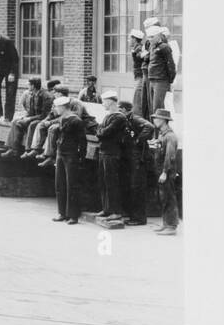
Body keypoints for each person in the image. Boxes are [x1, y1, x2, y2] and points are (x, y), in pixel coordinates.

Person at [51, 95, 87, 224]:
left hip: (71, 154)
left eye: (56, 107)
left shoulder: (75, 120)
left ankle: (73, 215)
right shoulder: (62, 119)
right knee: (59, 184)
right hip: (61, 154)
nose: (55, 109)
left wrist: (81, 157)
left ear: (63, 107)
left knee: (72, 185)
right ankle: (62, 213)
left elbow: (82, 141)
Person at [94, 90, 128, 222]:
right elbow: (99, 130)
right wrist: (101, 131)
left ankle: (116, 211)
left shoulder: (119, 117)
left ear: (111, 101)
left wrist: (100, 131)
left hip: (112, 153)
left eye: (104, 101)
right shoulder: (108, 116)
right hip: (104, 152)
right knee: (103, 182)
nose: (103, 104)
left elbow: (104, 133)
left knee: (112, 183)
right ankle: (107, 209)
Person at [119, 99, 154, 226]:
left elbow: (149, 126)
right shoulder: (126, 120)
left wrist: (138, 141)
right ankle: (133, 216)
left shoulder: (134, 118)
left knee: (137, 188)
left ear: (124, 109)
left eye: (119, 109)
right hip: (131, 159)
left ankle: (139, 219)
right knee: (131, 187)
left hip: (139, 159)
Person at [149, 108, 180, 235]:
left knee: (169, 198)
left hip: (166, 172)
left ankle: (171, 226)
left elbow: (170, 156)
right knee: (164, 198)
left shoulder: (170, 136)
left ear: (163, 120)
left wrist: (165, 172)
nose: (154, 120)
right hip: (162, 171)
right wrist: (156, 143)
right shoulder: (163, 134)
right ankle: (166, 224)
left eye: (156, 118)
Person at [1, 77, 51, 157]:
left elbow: (44, 115)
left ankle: (28, 150)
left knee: (32, 125)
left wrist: (29, 119)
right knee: (16, 122)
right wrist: (24, 117)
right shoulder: (32, 94)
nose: (27, 87)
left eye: (29, 85)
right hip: (33, 117)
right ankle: (13, 149)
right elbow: (31, 112)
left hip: (42, 119)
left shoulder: (45, 96)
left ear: (33, 86)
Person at [147, 26, 177, 114]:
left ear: (159, 36)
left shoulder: (164, 47)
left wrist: (170, 80)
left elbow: (171, 65)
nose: (150, 39)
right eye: (148, 37)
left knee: (157, 107)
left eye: (152, 37)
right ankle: (157, 126)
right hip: (152, 80)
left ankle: (159, 127)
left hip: (161, 81)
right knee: (153, 107)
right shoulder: (152, 47)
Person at [128, 30, 149, 116]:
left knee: (138, 98)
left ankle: (137, 117)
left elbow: (142, 55)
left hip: (141, 77)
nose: (129, 40)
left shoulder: (139, 47)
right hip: (138, 76)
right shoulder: (137, 47)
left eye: (130, 38)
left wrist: (141, 54)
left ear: (134, 39)